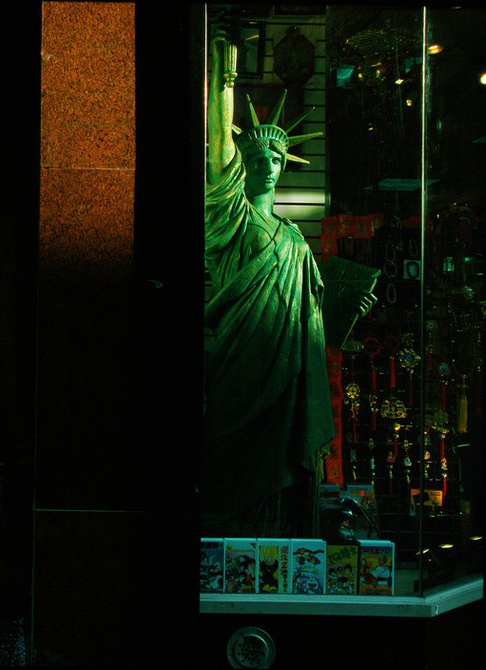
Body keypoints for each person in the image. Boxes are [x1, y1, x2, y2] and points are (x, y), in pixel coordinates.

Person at [200, 13, 375, 538]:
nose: (269, 163)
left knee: (280, 466)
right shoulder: (229, 213)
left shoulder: (295, 239)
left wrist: (346, 309)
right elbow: (216, 150)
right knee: (231, 464)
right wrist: (223, 81)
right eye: (259, 155)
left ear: (285, 163)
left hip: (286, 376)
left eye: (277, 155)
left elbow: (310, 315)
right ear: (246, 163)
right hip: (239, 363)